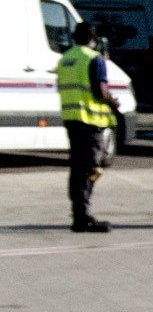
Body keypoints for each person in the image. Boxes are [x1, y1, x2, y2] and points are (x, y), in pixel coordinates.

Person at [55, 21, 115, 233]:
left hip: (71, 120)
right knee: (91, 168)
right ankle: (82, 217)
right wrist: (113, 102)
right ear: (94, 38)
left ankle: (78, 213)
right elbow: (101, 91)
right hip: (90, 123)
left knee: (77, 168)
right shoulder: (93, 59)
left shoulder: (65, 59)